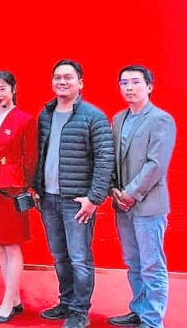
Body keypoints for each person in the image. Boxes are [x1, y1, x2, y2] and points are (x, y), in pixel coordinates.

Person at [33, 60, 114, 328]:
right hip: (49, 199)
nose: (62, 82)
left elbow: (105, 160)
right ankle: (66, 302)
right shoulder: (45, 115)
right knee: (59, 256)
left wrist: (94, 199)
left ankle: (80, 311)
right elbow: (40, 154)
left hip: (77, 202)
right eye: (57, 77)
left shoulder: (93, 116)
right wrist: (37, 188)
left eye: (68, 77)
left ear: (80, 83)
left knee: (79, 258)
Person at [106, 65, 175, 328]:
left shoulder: (161, 119)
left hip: (149, 205)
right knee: (133, 262)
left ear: (149, 86)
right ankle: (138, 309)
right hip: (122, 205)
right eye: (124, 83)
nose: (129, 88)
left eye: (135, 82)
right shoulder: (118, 119)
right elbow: (111, 157)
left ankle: (152, 320)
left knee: (151, 264)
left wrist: (131, 193)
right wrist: (114, 188)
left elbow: (156, 165)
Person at [0, 71, 36, 323]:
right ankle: (14, 299)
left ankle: (7, 301)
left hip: (12, 189)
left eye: (2, 89)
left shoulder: (25, 119)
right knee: (0, 245)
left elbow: (30, 158)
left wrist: (30, 187)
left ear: (13, 89)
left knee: (12, 245)